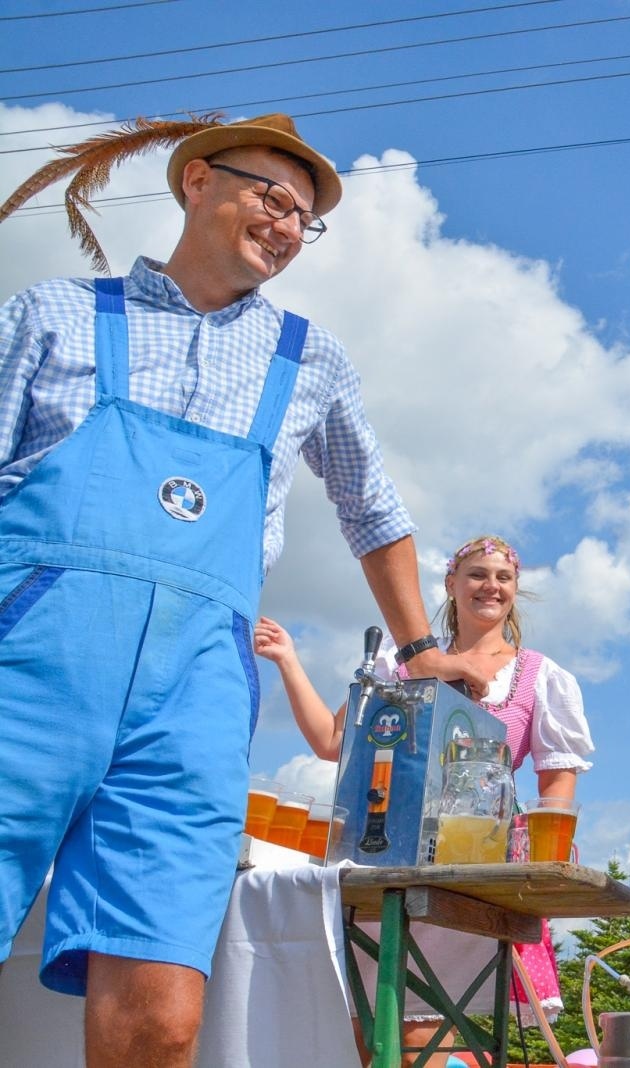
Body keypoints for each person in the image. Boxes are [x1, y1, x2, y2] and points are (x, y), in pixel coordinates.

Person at [0, 113, 484, 1068]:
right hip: (28, 672)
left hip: (193, 699)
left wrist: (424, 651)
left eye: (305, 216)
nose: (287, 224)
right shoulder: (51, 312)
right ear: (196, 183)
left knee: (159, 1009)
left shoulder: (309, 360)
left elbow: (373, 511)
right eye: (271, 195)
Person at [256, 533, 594, 1067]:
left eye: (504, 578)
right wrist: (288, 660)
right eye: (478, 574)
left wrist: (535, 864)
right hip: (383, 855)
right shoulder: (401, 661)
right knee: (361, 1034)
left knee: (423, 1035)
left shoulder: (539, 676)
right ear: (450, 584)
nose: (492, 586)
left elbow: (558, 786)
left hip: (471, 867)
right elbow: (331, 745)